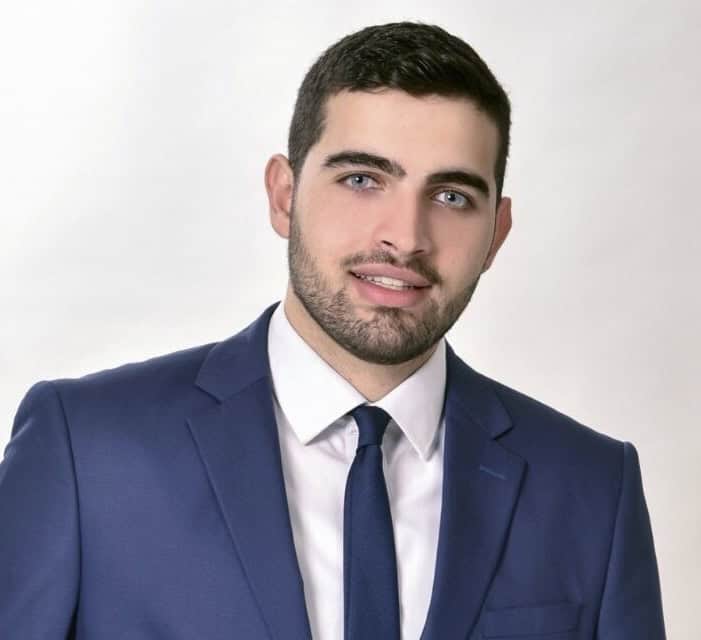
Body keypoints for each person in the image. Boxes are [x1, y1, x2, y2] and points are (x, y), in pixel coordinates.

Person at [0, 21, 665, 640]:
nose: (405, 237)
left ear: (496, 232)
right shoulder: (86, 448)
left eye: (451, 196)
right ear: (283, 195)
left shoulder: (592, 488)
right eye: (362, 179)